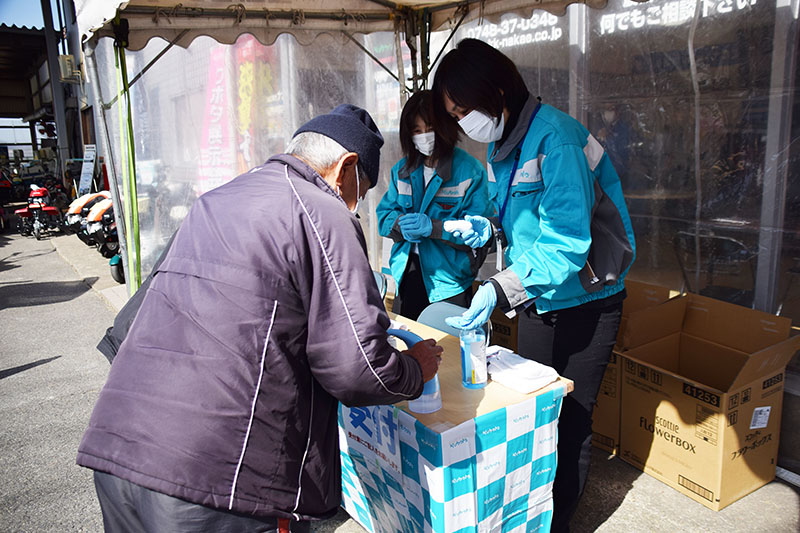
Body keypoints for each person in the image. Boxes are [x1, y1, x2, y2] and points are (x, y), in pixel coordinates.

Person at [76, 104, 444, 533]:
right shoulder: (323, 212)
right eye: (359, 191)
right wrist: (414, 368)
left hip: (119, 449)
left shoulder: (219, 198)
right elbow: (359, 369)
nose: (355, 205)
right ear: (345, 168)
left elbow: (127, 327)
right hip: (215, 481)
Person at [432, 39, 636, 532]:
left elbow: (566, 241)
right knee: (538, 411)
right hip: (537, 297)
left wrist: (498, 289)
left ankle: (559, 520)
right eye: (455, 115)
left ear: (497, 91)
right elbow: (522, 220)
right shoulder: (501, 147)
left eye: (464, 110)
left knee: (572, 419)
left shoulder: (557, 139)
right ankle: (531, 513)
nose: (463, 123)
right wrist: (487, 228)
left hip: (588, 300)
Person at [376, 90, 492, 320]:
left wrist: (435, 228)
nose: (424, 136)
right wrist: (398, 224)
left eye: (429, 128)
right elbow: (383, 216)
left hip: (449, 279)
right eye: (416, 131)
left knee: (449, 346)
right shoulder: (402, 170)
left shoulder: (469, 171)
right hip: (407, 272)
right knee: (410, 342)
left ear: (444, 125)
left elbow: (480, 232)